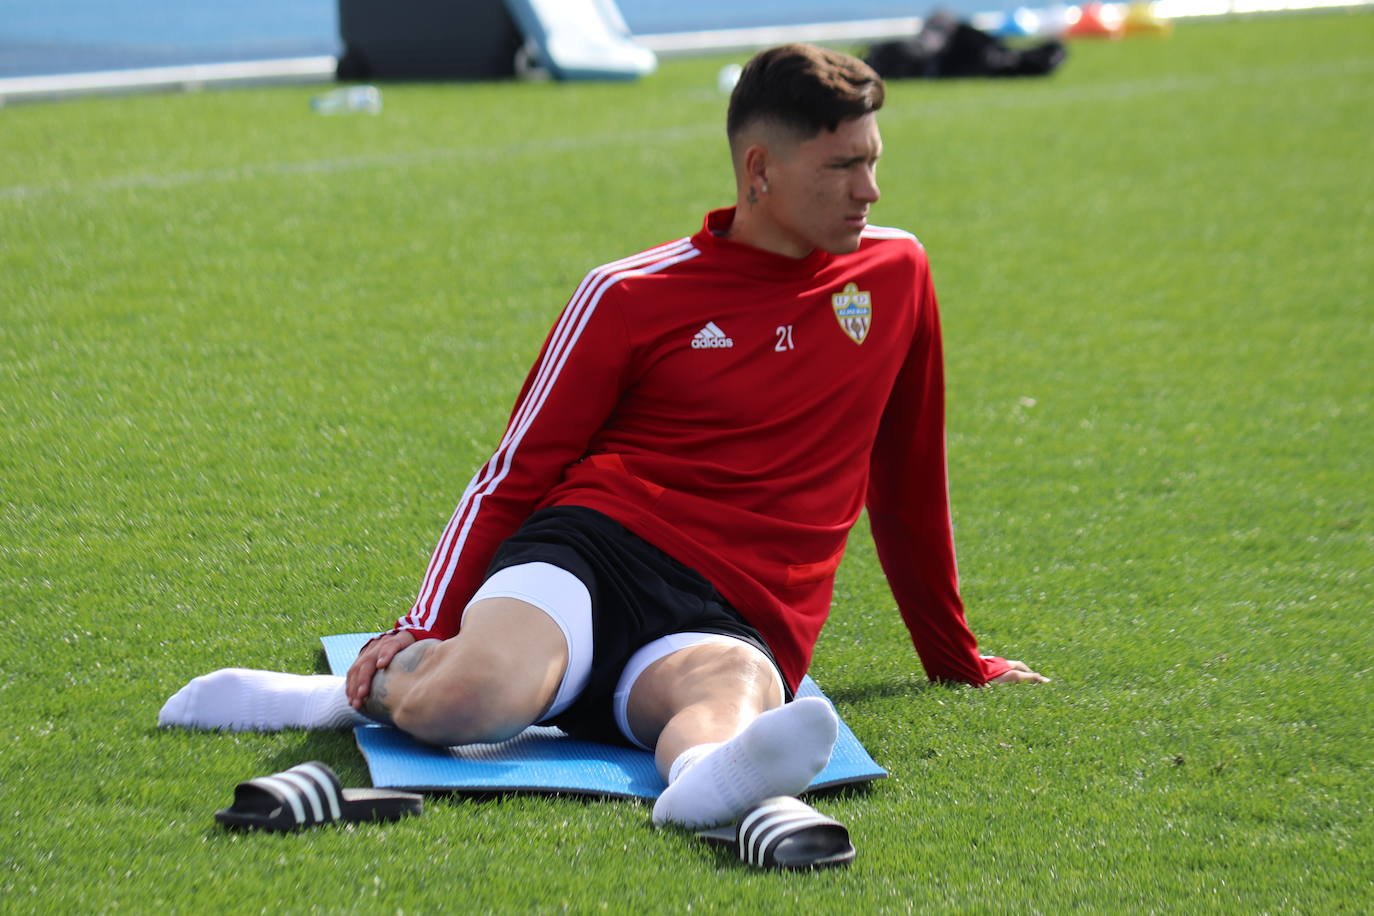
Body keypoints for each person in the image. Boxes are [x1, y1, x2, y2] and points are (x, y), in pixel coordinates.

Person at [160, 43, 1047, 830]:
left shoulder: (898, 271)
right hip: (597, 550)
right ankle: (349, 692)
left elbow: (907, 476)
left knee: (728, 700)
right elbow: (515, 470)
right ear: (759, 171)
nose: (870, 190)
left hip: (742, 610)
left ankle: (704, 782)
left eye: (874, 162)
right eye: (842, 167)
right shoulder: (628, 295)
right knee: (475, 701)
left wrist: (954, 659)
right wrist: (417, 623)